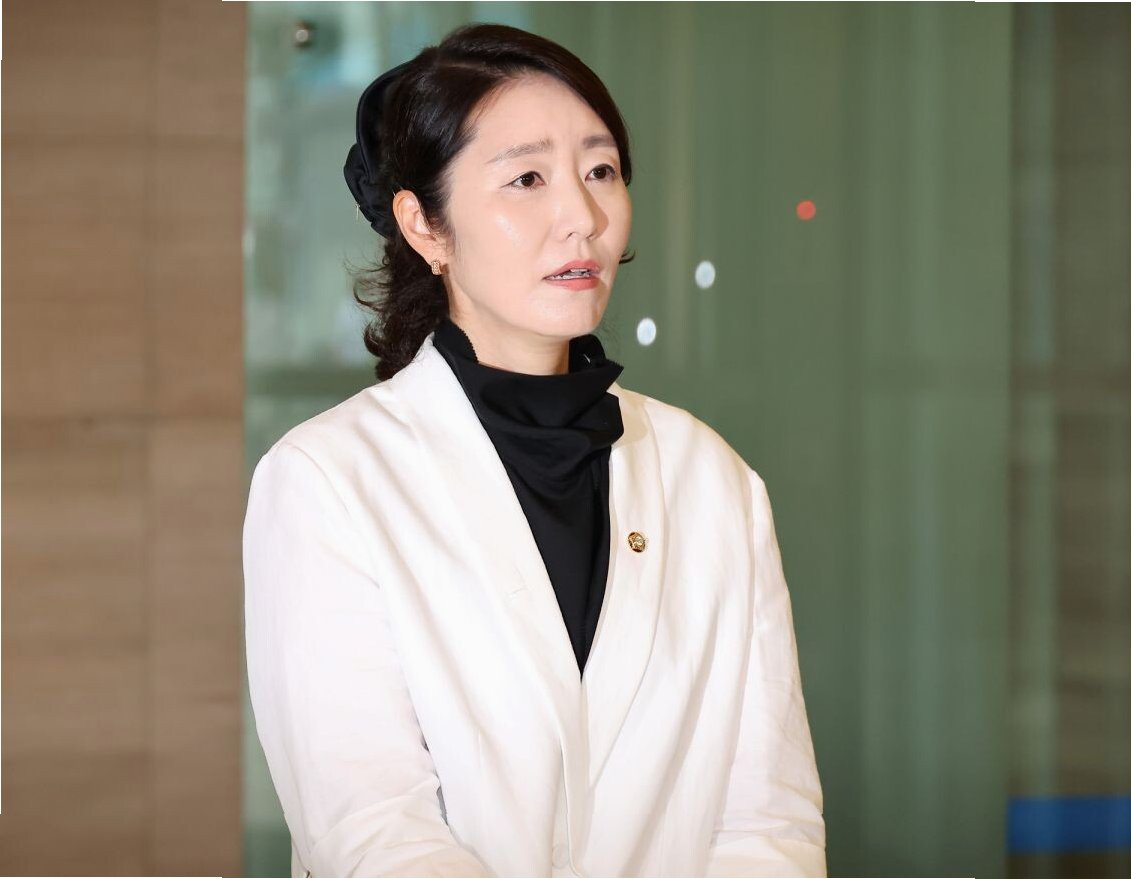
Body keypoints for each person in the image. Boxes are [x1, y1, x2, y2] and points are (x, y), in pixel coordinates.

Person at [243, 22, 825, 878]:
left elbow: (769, 821)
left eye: (601, 171)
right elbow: (371, 833)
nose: (582, 218)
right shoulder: (328, 481)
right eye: (526, 179)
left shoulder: (712, 477)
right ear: (425, 225)